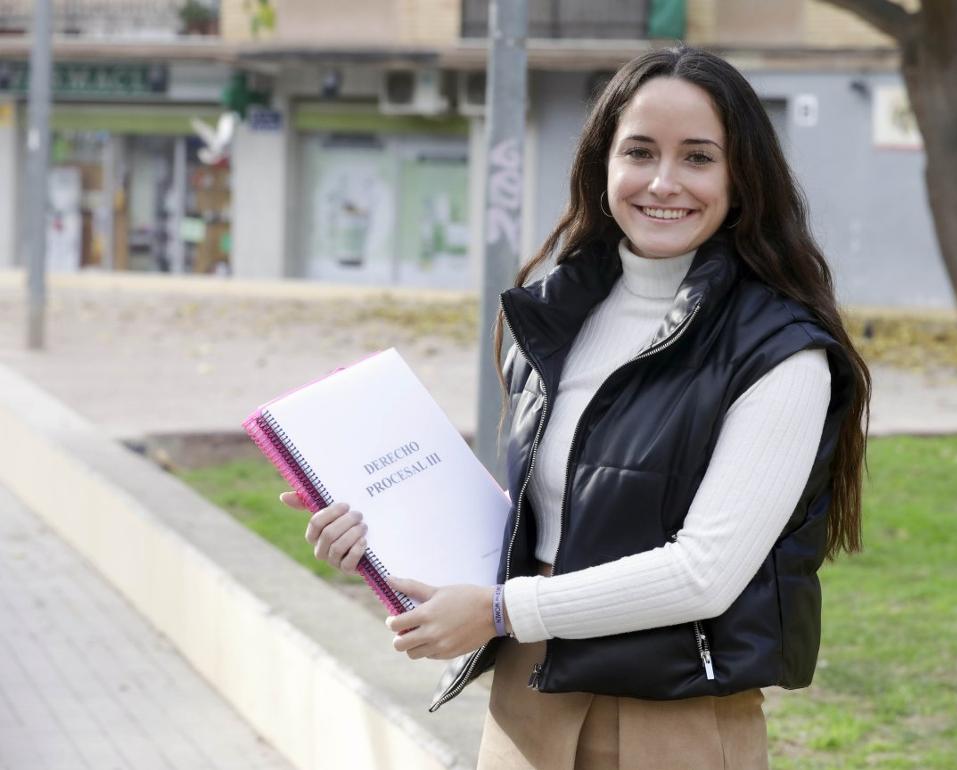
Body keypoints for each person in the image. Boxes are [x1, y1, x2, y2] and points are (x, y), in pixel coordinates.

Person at [285, 46, 870, 770]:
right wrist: (382, 540)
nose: (663, 182)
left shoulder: (781, 352)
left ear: (741, 177)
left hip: (672, 719)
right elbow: (554, 512)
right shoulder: (558, 315)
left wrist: (500, 610)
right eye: (640, 152)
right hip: (528, 699)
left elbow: (704, 573)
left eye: (697, 158)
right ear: (602, 165)